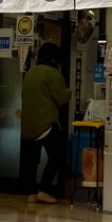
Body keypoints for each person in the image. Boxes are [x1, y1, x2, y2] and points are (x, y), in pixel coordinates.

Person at [20, 41, 72, 204]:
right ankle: (44, 190)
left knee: (32, 161)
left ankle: (30, 193)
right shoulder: (52, 73)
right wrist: (70, 91)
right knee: (58, 156)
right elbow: (61, 96)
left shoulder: (30, 73)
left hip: (28, 124)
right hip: (46, 125)